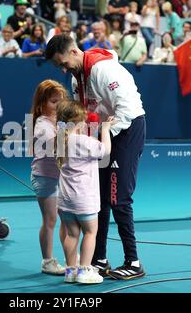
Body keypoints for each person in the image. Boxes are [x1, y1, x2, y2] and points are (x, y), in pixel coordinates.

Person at [45, 34, 146, 280]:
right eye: (58, 66)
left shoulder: (105, 70)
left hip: (127, 129)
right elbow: (86, 113)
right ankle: (98, 260)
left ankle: (133, 262)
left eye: (63, 63)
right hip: (103, 135)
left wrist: (102, 135)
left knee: (118, 198)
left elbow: (127, 110)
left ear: (74, 52)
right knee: (96, 200)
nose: (62, 68)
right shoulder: (75, 78)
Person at [55, 100, 115, 284]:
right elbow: (105, 151)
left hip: (65, 200)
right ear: (78, 121)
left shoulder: (59, 140)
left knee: (72, 234)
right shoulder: (84, 141)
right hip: (84, 199)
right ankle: (85, 270)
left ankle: (70, 271)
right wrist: (105, 128)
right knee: (90, 233)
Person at [30, 79, 68, 275]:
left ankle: (71, 258)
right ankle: (47, 261)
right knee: (50, 219)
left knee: (66, 218)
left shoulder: (60, 121)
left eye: (61, 101)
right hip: (44, 177)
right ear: (42, 103)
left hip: (61, 177)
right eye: (54, 101)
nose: (58, 105)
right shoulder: (41, 124)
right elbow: (56, 145)